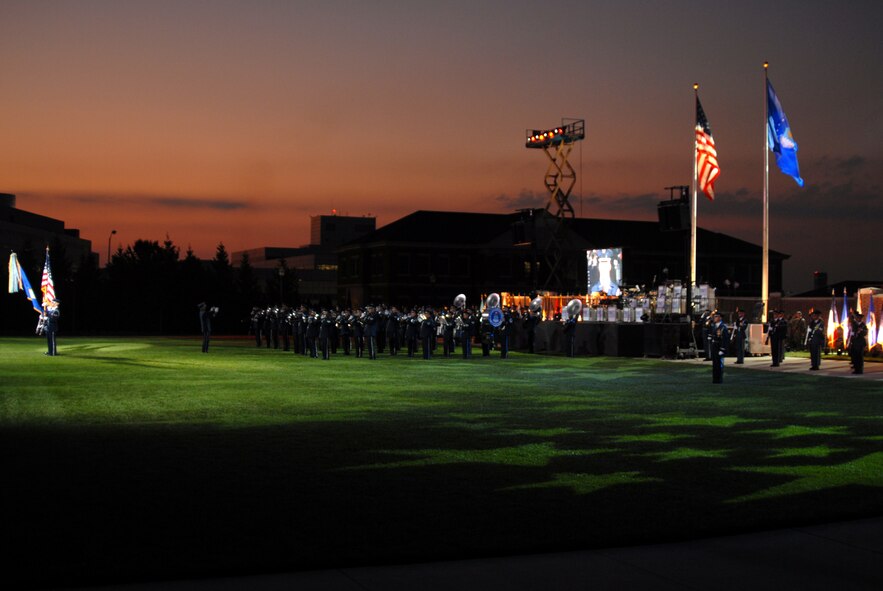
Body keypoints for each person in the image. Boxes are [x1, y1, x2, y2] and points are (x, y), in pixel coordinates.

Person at [710, 311, 730, 384]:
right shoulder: (714, 326)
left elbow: (725, 339)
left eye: (716, 316)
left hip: (719, 347)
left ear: (720, 318)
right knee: (715, 364)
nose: (714, 318)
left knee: (719, 365)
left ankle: (719, 379)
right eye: (714, 316)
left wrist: (722, 349)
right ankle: (715, 379)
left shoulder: (723, 327)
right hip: (714, 347)